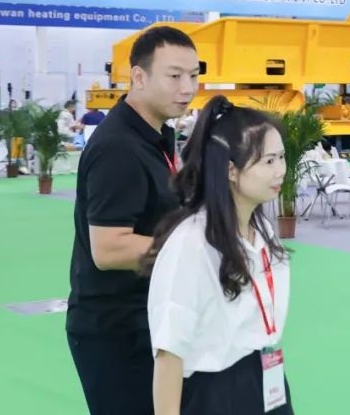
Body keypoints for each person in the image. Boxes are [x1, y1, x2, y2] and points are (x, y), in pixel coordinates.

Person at [66, 26, 200, 415]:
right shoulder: (118, 148)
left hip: (152, 320)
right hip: (117, 333)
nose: (187, 88)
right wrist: (199, 248)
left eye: (193, 76)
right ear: (138, 77)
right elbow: (109, 248)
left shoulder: (157, 137)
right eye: (174, 76)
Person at [143, 96, 293, 414]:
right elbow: (169, 356)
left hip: (265, 377)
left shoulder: (262, 228)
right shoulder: (191, 245)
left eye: (282, 157)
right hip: (215, 395)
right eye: (268, 161)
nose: (280, 170)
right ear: (231, 171)